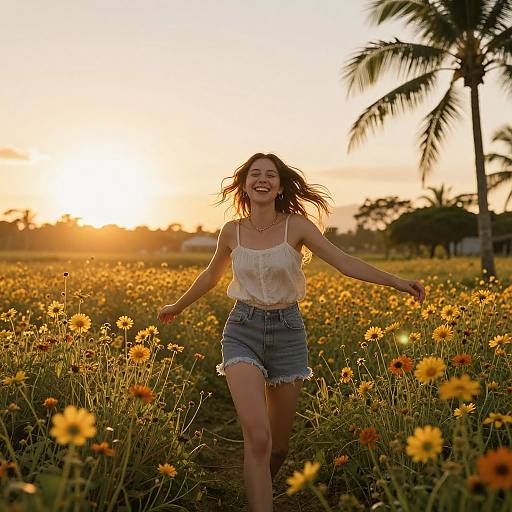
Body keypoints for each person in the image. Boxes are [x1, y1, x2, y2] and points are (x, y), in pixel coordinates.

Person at [157, 152, 425, 512]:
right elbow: (211, 275)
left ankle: (255, 485)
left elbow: (343, 262)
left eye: (270, 174)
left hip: (288, 333)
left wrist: (396, 281)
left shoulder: (295, 226)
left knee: (278, 447)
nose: (262, 179)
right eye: (255, 174)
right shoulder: (231, 231)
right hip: (242, 330)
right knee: (258, 437)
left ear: (280, 185)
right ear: (245, 184)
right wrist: (177, 305)